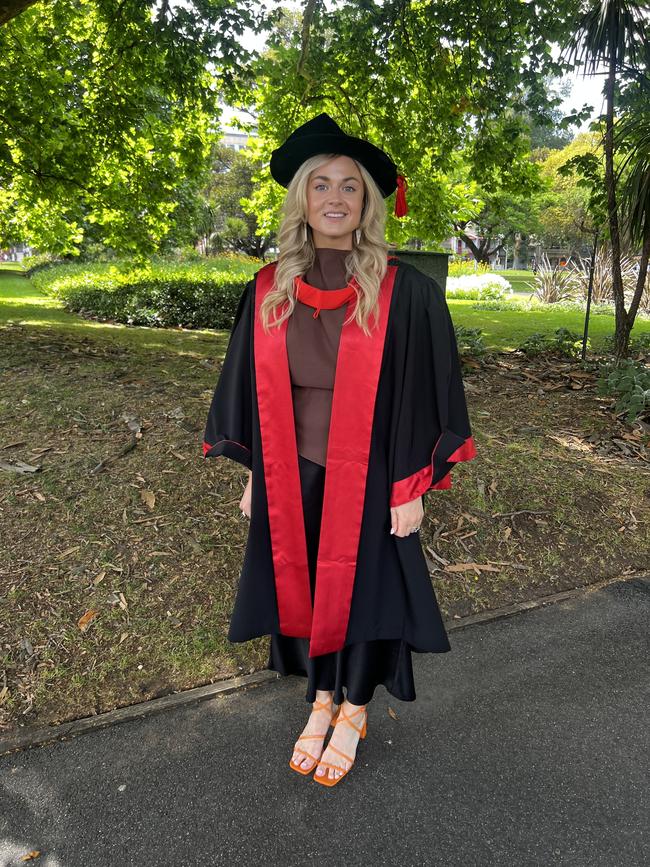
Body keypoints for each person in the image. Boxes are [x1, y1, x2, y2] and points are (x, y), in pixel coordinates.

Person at [203, 112, 477, 787]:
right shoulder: (268, 289)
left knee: (366, 595)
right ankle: (318, 698)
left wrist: (411, 484)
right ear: (301, 198)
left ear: (367, 203)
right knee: (304, 587)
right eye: (319, 184)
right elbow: (250, 386)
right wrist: (254, 478)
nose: (333, 197)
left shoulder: (405, 291)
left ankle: (353, 710)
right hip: (294, 474)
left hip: (374, 470)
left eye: (349, 187)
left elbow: (426, 390)